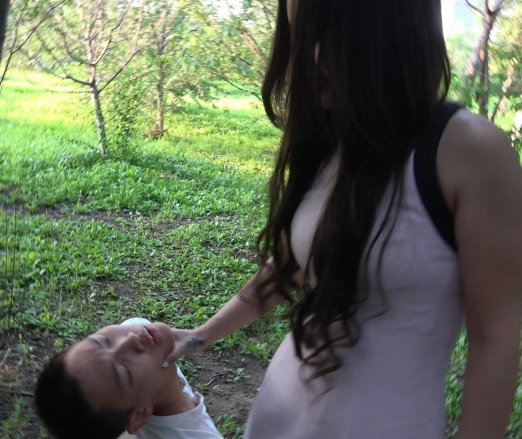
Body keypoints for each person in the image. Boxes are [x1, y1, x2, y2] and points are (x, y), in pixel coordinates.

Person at [163, 0, 522, 438]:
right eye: (300, 36)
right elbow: (286, 267)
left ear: (389, 30)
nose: (309, 57)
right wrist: (196, 336)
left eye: (324, 35)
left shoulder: (470, 151)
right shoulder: (335, 139)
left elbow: (495, 340)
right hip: (277, 418)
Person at [34, 318, 222, 439]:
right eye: (125, 370)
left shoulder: (140, 331)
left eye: (103, 340)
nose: (130, 338)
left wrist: (201, 336)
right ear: (139, 414)